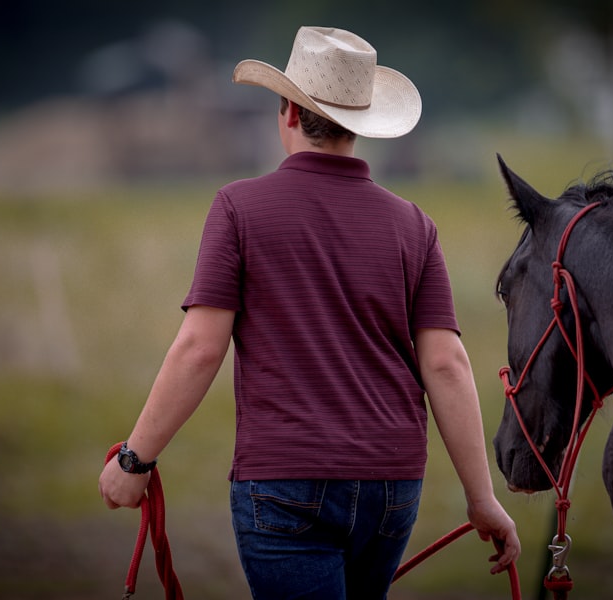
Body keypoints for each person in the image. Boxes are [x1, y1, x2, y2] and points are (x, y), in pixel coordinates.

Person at [99, 25, 520, 599]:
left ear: (288, 113)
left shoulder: (238, 209)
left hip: (283, 483)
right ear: (360, 125)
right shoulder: (413, 225)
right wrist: (481, 498)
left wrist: (133, 460)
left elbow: (200, 348)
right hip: (391, 488)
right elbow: (446, 364)